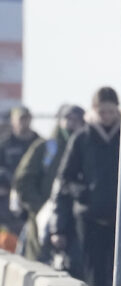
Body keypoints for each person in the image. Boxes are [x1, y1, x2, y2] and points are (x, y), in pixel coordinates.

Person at [50, 87, 121, 286]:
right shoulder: (82, 138)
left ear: (118, 111)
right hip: (89, 218)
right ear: (94, 111)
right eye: (102, 112)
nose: (107, 117)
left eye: (111, 112)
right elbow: (65, 178)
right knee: (93, 274)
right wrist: (83, 193)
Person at [13, 103, 84, 261]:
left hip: (77, 227)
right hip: (41, 225)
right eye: (67, 118)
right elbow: (23, 180)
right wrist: (41, 208)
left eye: (77, 119)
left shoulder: (87, 151)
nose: (71, 124)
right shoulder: (46, 149)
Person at [0, 104, 39, 175]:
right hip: (10, 184)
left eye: (26, 118)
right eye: (21, 118)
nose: (24, 121)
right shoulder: (5, 144)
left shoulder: (39, 142)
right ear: (12, 120)